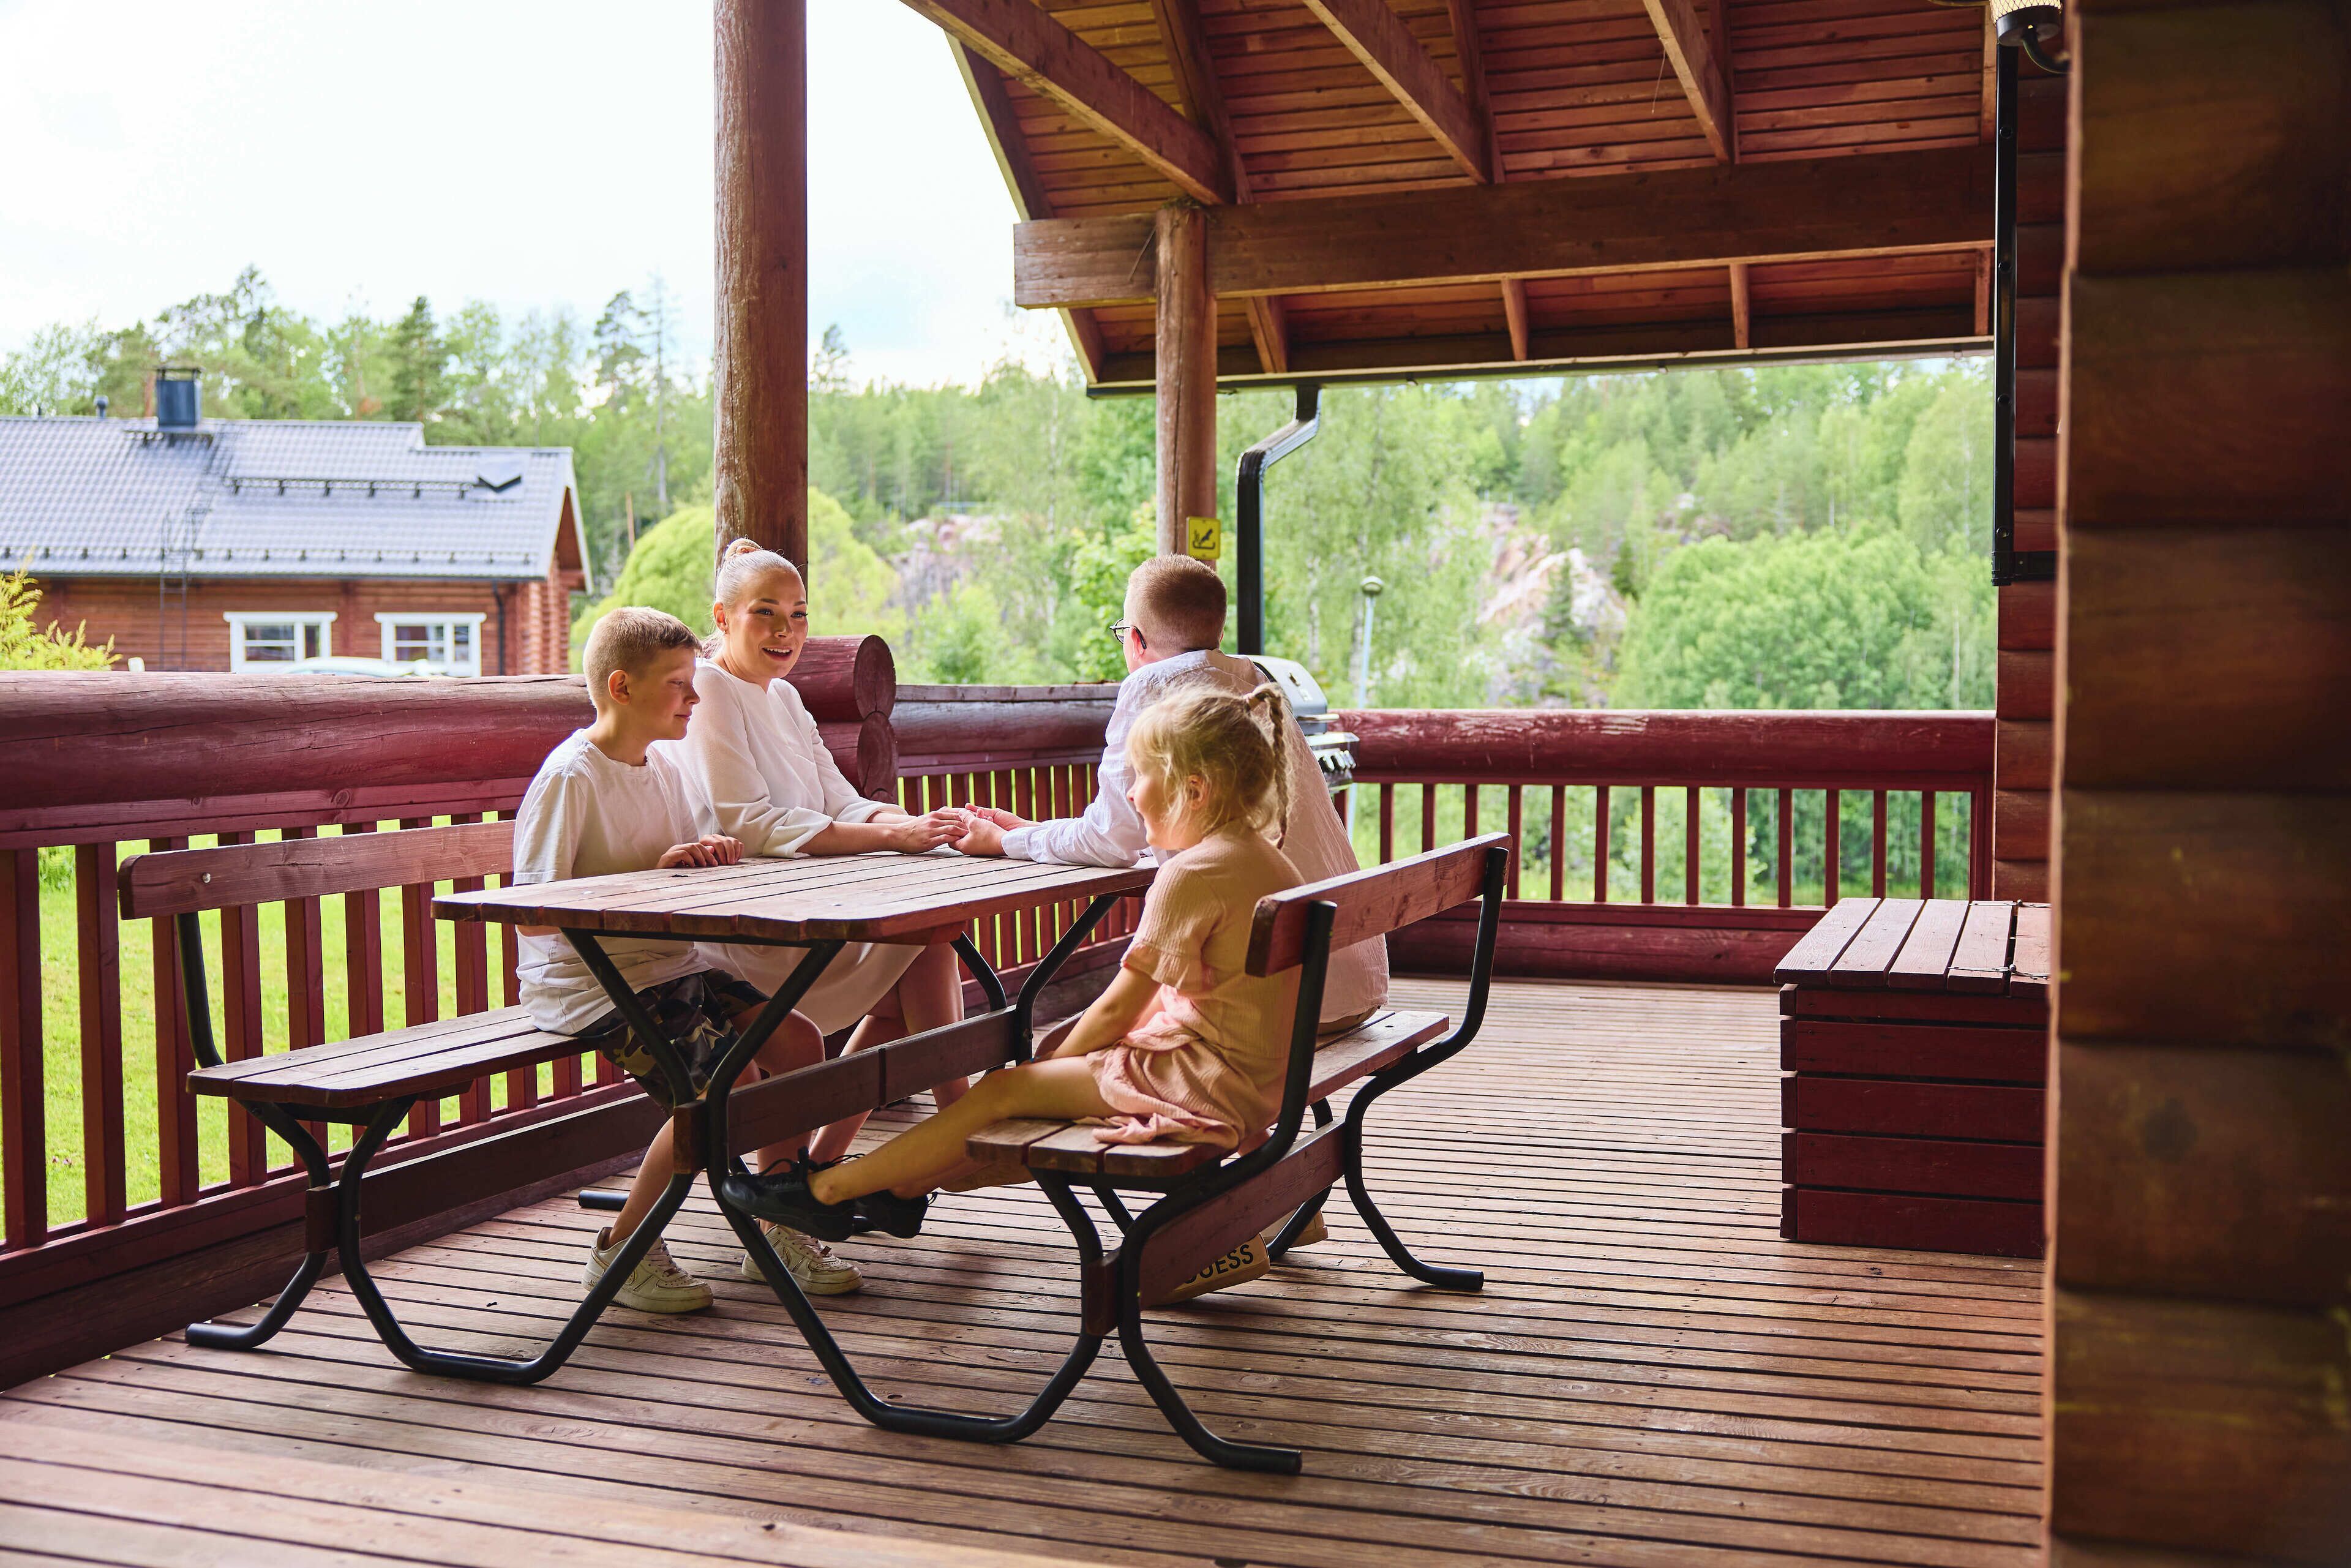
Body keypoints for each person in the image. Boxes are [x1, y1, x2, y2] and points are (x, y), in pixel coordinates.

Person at [729, 681, 1309, 1241]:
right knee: (1024, 1099)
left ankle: (827, 1190)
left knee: (1004, 1093)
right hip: (1256, 1077)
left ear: (1195, 789)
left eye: (1142, 777)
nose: (1131, 794)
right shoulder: (1266, 859)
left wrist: (1056, 1058)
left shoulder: (1191, 873)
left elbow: (1116, 1011)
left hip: (1203, 1082)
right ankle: (896, 1192)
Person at [663, 538, 974, 1295]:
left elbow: (839, 799)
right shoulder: (710, 690)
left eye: (798, 616)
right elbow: (755, 821)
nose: (785, 632)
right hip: (749, 928)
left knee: (929, 942)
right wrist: (888, 836)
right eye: (765, 614)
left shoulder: (787, 696)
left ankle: (820, 1181)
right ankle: (954, 1136)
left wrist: (915, 823)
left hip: (812, 909)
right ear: (723, 616)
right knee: (921, 949)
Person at [512, 607, 827, 1315]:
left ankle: (779, 1224)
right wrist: (656, 875)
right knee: (727, 1086)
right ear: (622, 687)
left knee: (800, 1041)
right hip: (591, 982)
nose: (694, 698)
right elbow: (532, 911)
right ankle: (623, 1246)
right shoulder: (573, 777)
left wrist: (699, 858)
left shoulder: (661, 770)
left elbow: (678, 864)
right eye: (680, 684)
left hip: (667, 961)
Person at [953, 555, 1388, 1034]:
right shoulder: (1256, 683)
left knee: (1061, 1043)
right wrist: (1034, 831)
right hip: (1354, 982)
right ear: (1217, 634)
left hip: (1283, 1000)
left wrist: (1004, 843)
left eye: (1123, 633)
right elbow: (1122, 832)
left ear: (1136, 639)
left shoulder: (1150, 688)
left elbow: (1112, 840)